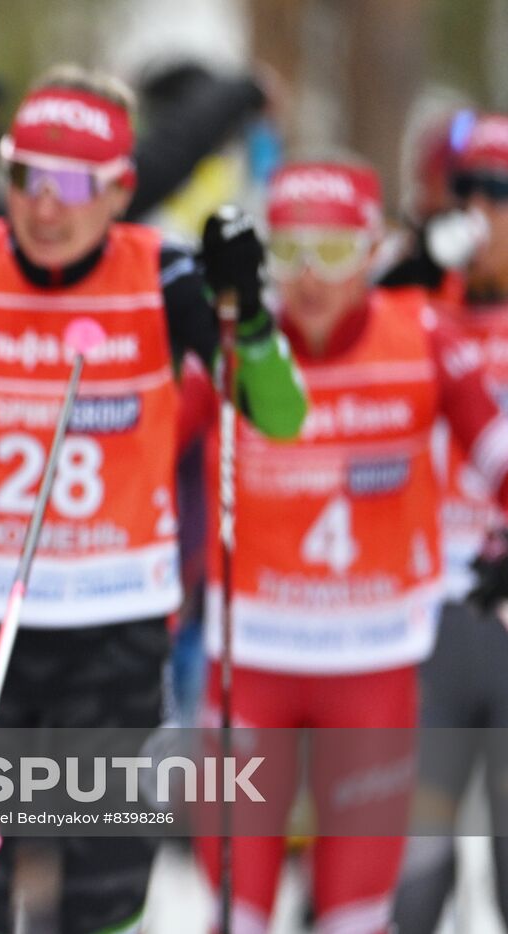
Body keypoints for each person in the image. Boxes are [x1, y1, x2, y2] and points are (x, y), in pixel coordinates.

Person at [0, 64, 307, 933]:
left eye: (75, 186)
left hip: (115, 624)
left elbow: (280, 415)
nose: (46, 207)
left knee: (104, 887)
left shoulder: (168, 274)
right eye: (27, 176)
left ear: (121, 191)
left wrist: (246, 310)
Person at [190, 156, 508, 933]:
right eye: (289, 248)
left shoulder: (423, 334)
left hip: (372, 659)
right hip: (253, 659)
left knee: (358, 914)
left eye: (333, 251)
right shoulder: (237, 342)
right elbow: (150, 444)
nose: (309, 275)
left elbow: (497, 454)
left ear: (372, 252)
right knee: (237, 910)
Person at [392, 112, 508, 933]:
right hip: (426, 620)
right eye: (466, 191)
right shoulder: (409, 311)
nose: (480, 212)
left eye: (499, 193)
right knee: (410, 876)